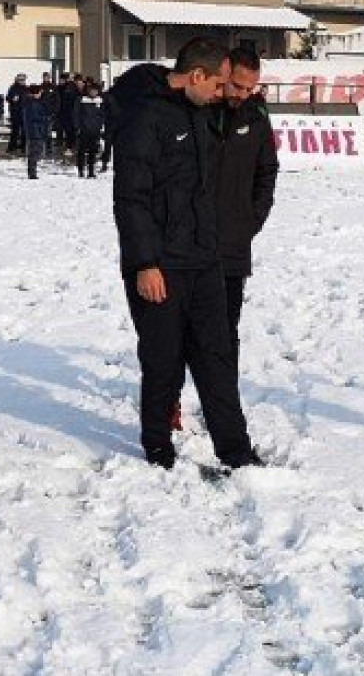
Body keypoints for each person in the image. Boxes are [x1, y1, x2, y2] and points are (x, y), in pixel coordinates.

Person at [110, 37, 263, 472]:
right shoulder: (145, 116)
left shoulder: (199, 114)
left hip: (204, 258)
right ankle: (157, 446)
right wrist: (144, 263)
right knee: (163, 360)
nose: (222, 94)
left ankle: (235, 450)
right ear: (196, 76)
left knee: (216, 356)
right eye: (218, 85)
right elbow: (130, 198)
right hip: (160, 265)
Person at [168, 48, 280, 431]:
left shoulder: (257, 115)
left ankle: (223, 406)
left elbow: (267, 173)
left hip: (232, 248)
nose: (241, 95)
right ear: (225, 73)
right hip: (188, 244)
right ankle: (171, 401)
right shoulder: (198, 108)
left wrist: (252, 220)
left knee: (224, 334)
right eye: (236, 86)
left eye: (250, 88)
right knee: (179, 331)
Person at [73, 81, 105, 178]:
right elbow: (76, 114)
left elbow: (103, 115)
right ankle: (81, 170)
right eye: (92, 91)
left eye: (95, 91)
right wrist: (77, 127)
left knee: (93, 152)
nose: (93, 93)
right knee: (81, 151)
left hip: (95, 131)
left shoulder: (100, 101)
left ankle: (91, 171)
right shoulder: (81, 100)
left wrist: (101, 126)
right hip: (83, 130)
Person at [22, 84, 50, 179]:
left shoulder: (36, 102)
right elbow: (34, 117)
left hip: (38, 129)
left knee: (37, 151)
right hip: (34, 130)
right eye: (39, 92)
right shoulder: (31, 103)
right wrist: (45, 118)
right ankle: (32, 173)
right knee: (35, 151)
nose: (41, 94)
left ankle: (32, 171)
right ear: (35, 93)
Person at [58, 73, 80, 154]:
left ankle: (70, 147)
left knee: (69, 131)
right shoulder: (71, 87)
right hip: (68, 112)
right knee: (70, 131)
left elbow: (66, 101)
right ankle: (71, 146)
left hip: (68, 113)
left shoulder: (69, 87)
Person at [6, 73, 28, 152]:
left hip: (24, 113)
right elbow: (7, 98)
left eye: (23, 80)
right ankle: (12, 146)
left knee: (24, 131)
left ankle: (23, 147)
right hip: (15, 112)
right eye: (20, 80)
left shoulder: (26, 88)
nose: (22, 81)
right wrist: (12, 99)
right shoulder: (13, 87)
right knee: (14, 130)